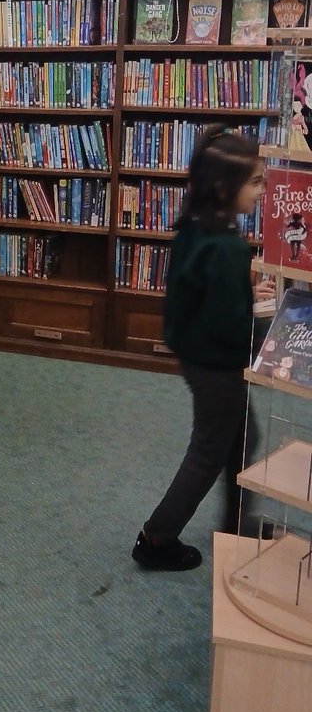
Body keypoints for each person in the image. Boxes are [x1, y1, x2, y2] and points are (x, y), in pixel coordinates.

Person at [132, 126, 266, 572]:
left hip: (196, 355)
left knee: (242, 439)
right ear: (225, 188)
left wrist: (242, 287)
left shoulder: (195, 228)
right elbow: (234, 327)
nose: (261, 190)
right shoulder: (227, 246)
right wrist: (272, 328)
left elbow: (200, 290)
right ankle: (157, 538)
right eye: (255, 182)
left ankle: (237, 526)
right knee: (210, 451)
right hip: (219, 365)